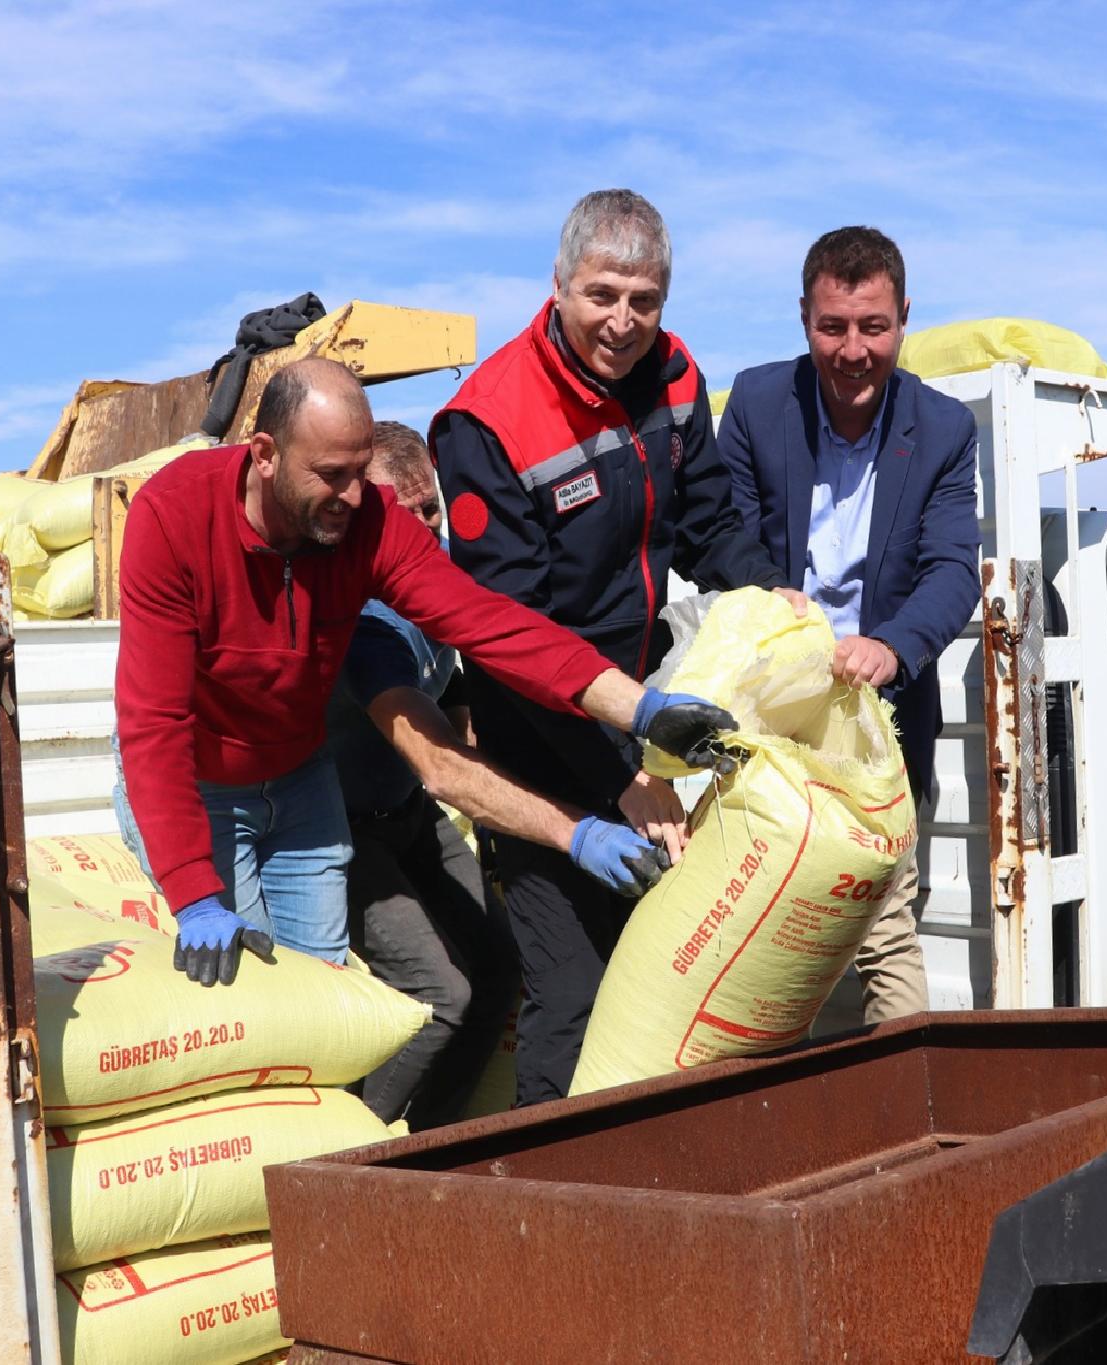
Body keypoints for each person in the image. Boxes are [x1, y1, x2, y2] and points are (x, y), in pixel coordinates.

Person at [114, 355, 738, 989]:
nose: (354, 498)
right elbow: (153, 724)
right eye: (332, 476)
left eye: (361, 473)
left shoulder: (368, 522)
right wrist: (194, 891)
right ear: (265, 453)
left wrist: (642, 710)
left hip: (299, 776)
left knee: (328, 996)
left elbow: (494, 626)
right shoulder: (173, 518)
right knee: (251, 999)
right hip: (199, 779)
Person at [431, 188, 807, 1102]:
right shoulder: (488, 422)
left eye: (645, 301)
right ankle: (548, 1220)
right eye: (602, 295)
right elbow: (512, 643)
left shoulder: (675, 376)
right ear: (558, 286)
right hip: (536, 749)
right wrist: (620, 779)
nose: (622, 322)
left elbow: (710, 522)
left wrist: (771, 596)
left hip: (641, 721)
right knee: (572, 995)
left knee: (667, 979)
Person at [332, 422, 666, 1127]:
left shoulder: (442, 578)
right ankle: (352, 1153)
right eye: (404, 513)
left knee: (500, 975)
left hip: (412, 816)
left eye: (432, 509)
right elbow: (442, 765)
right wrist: (573, 832)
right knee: (442, 994)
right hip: (347, 831)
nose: (424, 528)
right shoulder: (363, 615)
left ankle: (436, 1138)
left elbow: (460, 680)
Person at [717, 225, 982, 1023]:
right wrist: (775, 600)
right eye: (833, 326)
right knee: (759, 930)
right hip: (769, 718)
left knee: (882, 930)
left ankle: (903, 1103)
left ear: (904, 317)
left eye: (874, 326)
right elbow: (724, 535)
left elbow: (952, 569)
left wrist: (892, 647)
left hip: (880, 723)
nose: (853, 349)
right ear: (805, 319)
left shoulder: (942, 431)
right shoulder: (759, 406)